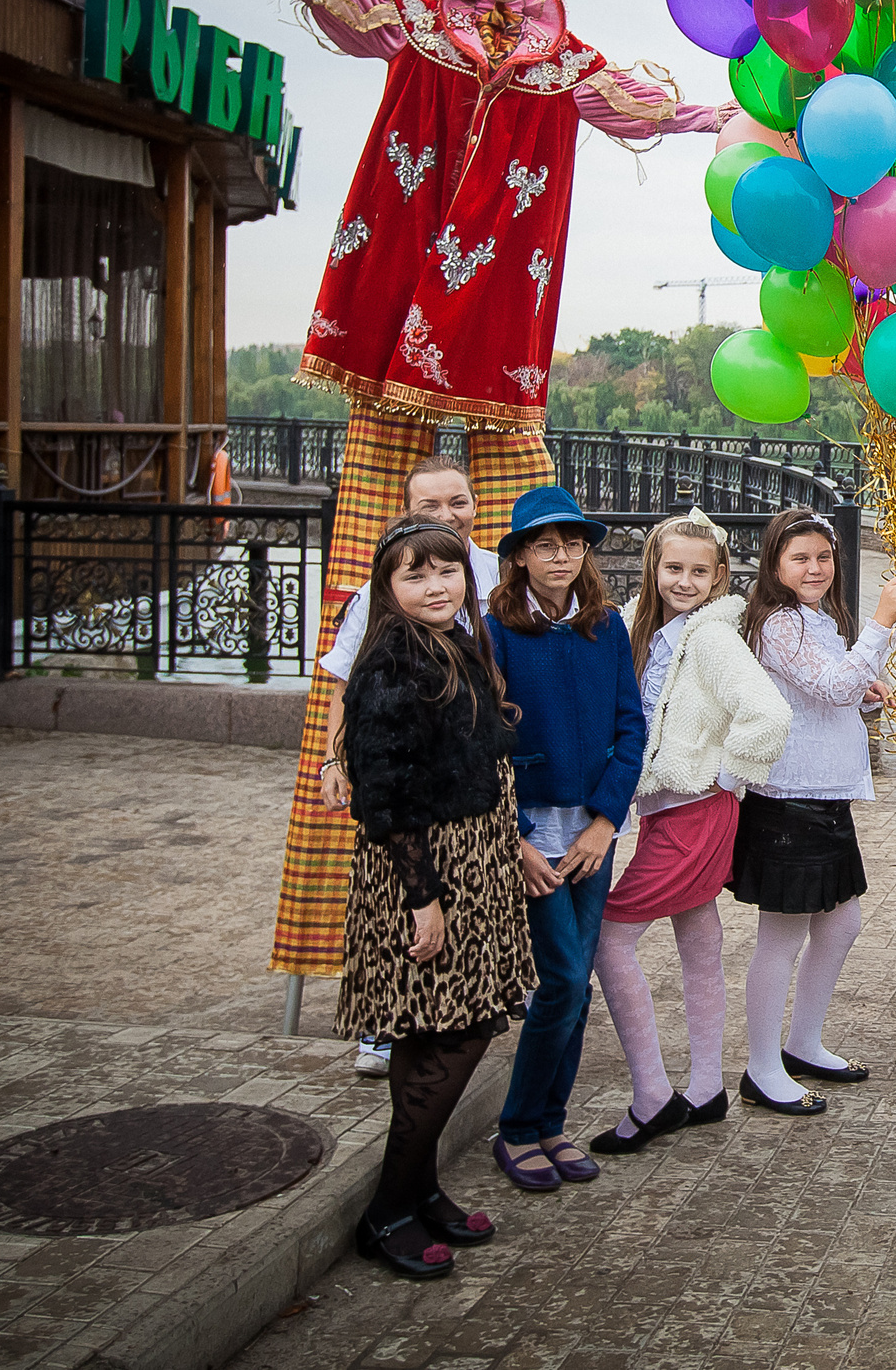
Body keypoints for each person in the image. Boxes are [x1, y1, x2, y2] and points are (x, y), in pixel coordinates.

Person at [219, 0, 729, 997]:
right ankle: (360, 969)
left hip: (494, 315)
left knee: (531, 499)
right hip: (411, 286)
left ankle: (498, 962)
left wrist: (735, 121)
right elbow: (341, 2)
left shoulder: (558, 59)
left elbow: (641, 106)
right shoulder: (425, 26)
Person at [335, 518, 534, 1281]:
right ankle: (387, 1207)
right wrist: (424, 898)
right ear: (388, 588)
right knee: (459, 1028)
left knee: (430, 1030)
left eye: (446, 571)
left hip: (474, 858)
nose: (436, 586)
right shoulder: (391, 659)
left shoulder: (452, 642)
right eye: (415, 575)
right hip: (429, 867)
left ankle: (418, 1189)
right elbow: (385, 794)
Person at [589, 511, 790, 1154]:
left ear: (719, 576)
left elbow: (767, 713)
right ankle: (706, 1086)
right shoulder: (646, 630)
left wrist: (725, 777)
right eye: (673, 568)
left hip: (695, 807)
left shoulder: (710, 639)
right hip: (665, 810)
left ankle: (653, 1094)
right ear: (653, 568)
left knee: (607, 940)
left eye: (698, 571)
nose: (684, 580)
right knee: (699, 936)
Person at [315, 454, 500, 1079]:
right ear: (407, 509)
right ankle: (385, 1026)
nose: (448, 515)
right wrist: (335, 757)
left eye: (458, 502)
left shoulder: (493, 574)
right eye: (430, 506)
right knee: (406, 903)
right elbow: (347, 681)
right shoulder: (392, 583)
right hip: (415, 791)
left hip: (468, 792)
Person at [483, 488, 643, 1193]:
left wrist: (608, 820)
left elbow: (631, 728)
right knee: (562, 981)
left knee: (575, 986)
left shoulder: (603, 626)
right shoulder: (494, 631)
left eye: (573, 543)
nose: (561, 556)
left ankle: (550, 1122)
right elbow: (482, 741)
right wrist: (514, 838)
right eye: (544, 544)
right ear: (518, 555)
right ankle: (517, 1127)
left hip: (591, 832)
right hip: (533, 832)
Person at [734, 508, 896, 1115]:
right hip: (788, 799)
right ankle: (761, 1067)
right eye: (800, 558)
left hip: (824, 795)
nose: (815, 568)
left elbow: (831, 687)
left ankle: (803, 1041)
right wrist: (882, 625)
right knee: (780, 937)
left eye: (824, 557)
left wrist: (861, 688)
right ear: (775, 565)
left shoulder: (815, 620)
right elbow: (831, 686)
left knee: (841, 924)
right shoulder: (780, 623)